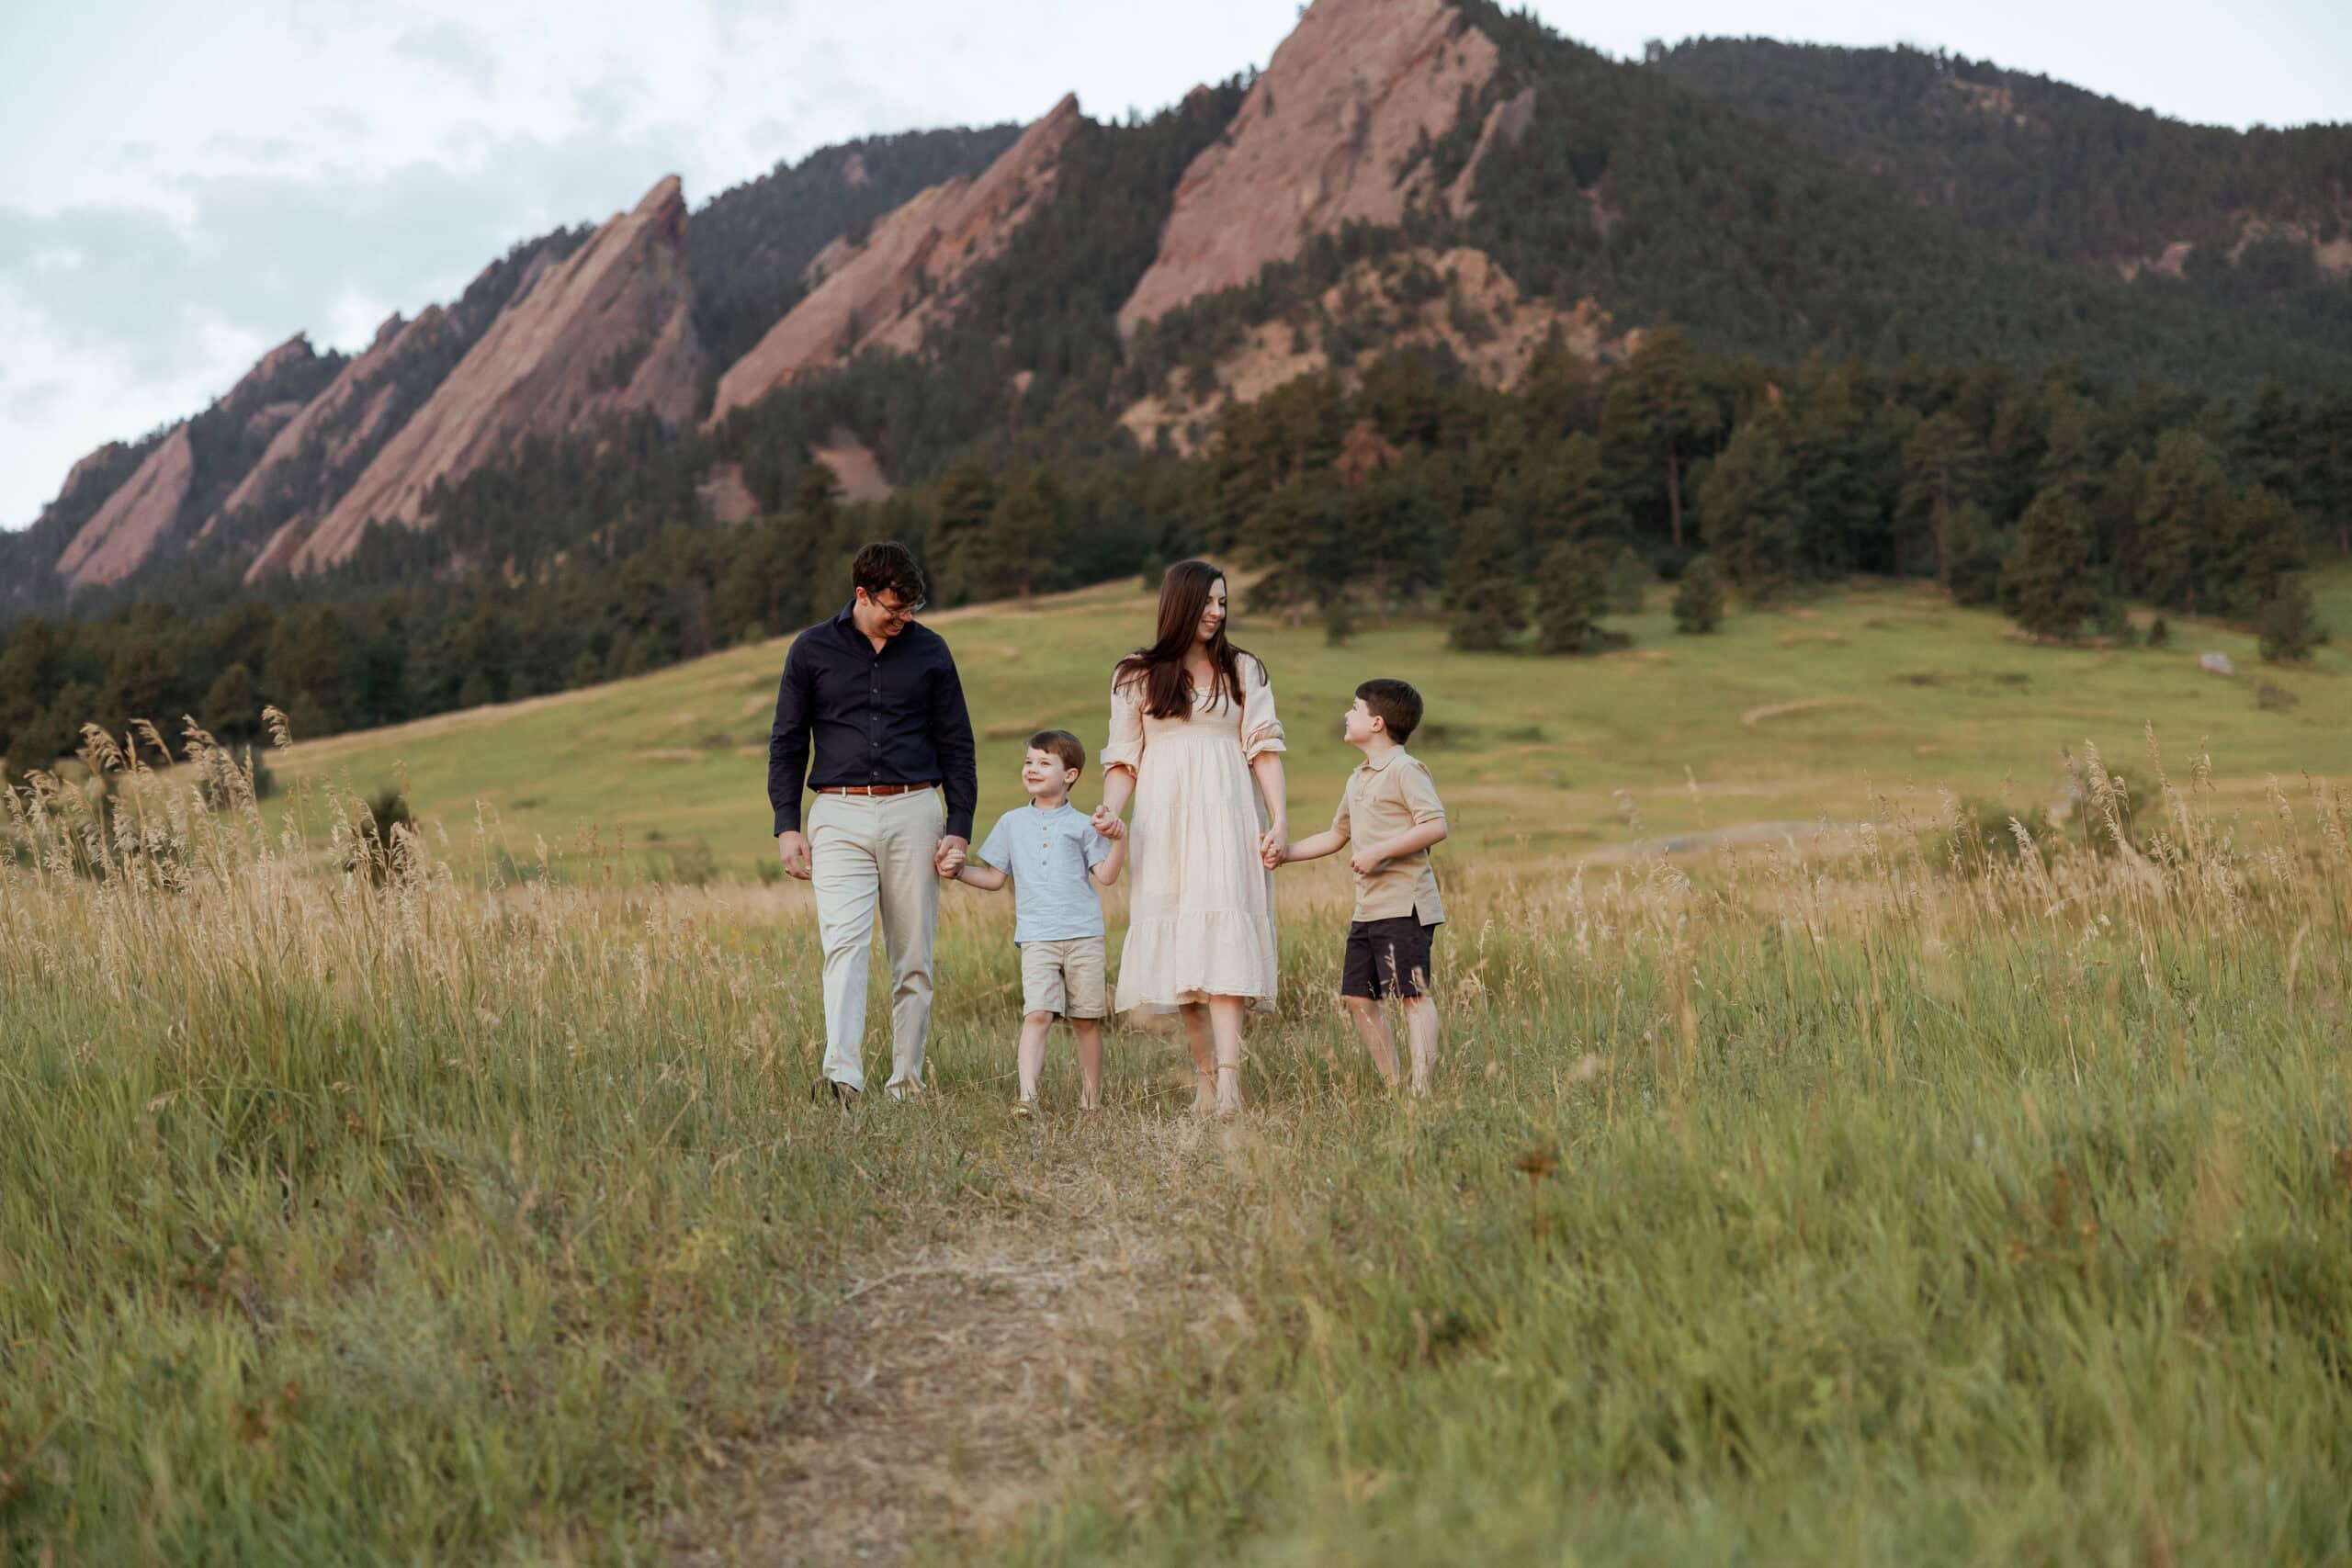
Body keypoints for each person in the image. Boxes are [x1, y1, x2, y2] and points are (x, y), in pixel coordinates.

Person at [769, 542, 977, 1104]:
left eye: (911, 607)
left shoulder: (931, 651)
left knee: (913, 956)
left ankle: (906, 1080)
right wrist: (787, 825)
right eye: (892, 607)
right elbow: (787, 742)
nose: (903, 617)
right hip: (837, 814)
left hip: (915, 810)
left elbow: (957, 741)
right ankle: (843, 1077)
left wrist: (959, 824)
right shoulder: (811, 649)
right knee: (844, 945)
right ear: (861, 594)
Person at [1091, 561, 1287, 1116]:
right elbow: (1124, 758)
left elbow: (1263, 749)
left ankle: (1229, 1083)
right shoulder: (1135, 673)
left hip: (1227, 815)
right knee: (1183, 952)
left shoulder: (1243, 669)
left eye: (1223, 603)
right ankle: (1204, 1080)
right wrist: (1109, 814)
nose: (1217, 613)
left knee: (1224, 942)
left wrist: (1279, 820)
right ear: (1180, 603)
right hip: (1164, 819)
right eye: (1207, 602)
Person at [1271, 679, 1449, 1096]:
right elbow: (1336, 836)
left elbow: (1435, 825)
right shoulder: (1358, 778)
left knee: (1412, 995)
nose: (1346, 715)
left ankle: (1421, 1088)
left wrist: (1380, 852)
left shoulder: (1406, 769)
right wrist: (1284, 853)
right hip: (1367, 909)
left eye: (1354, 708)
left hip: (1405, 904)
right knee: (1358, 997)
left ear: (1377, 723)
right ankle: (1394, 1084)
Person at [952, 730, 1128, 1113]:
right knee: (1037, 1013)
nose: (1032, 769)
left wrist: (1119, 841)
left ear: (1071, 775)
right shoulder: (1011, 822)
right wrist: (958, 872)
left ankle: (1091, 1102)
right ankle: (1027, 1098)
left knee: (1086, 1020)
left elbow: (1108, 876)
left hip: (1084, 935)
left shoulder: (1084, 825)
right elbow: (995, 878)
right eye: (1029, 761)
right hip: (1036, 937)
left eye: (1044, 763)